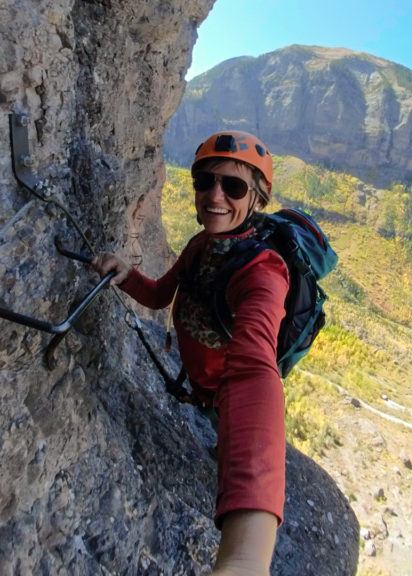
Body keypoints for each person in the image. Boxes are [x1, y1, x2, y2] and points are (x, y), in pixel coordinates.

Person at [93, 131, 288, 576]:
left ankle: (229, 472)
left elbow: (257, 373)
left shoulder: (264, 273)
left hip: (225, 394)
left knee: (228, 439)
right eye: (205, 181)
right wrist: (126, 274)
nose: (215, 195)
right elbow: (162, 295)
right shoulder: (203, 245)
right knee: (219, 437)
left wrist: (246, 558)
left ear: (256, 199)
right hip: (204, 390)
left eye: (234, 187)